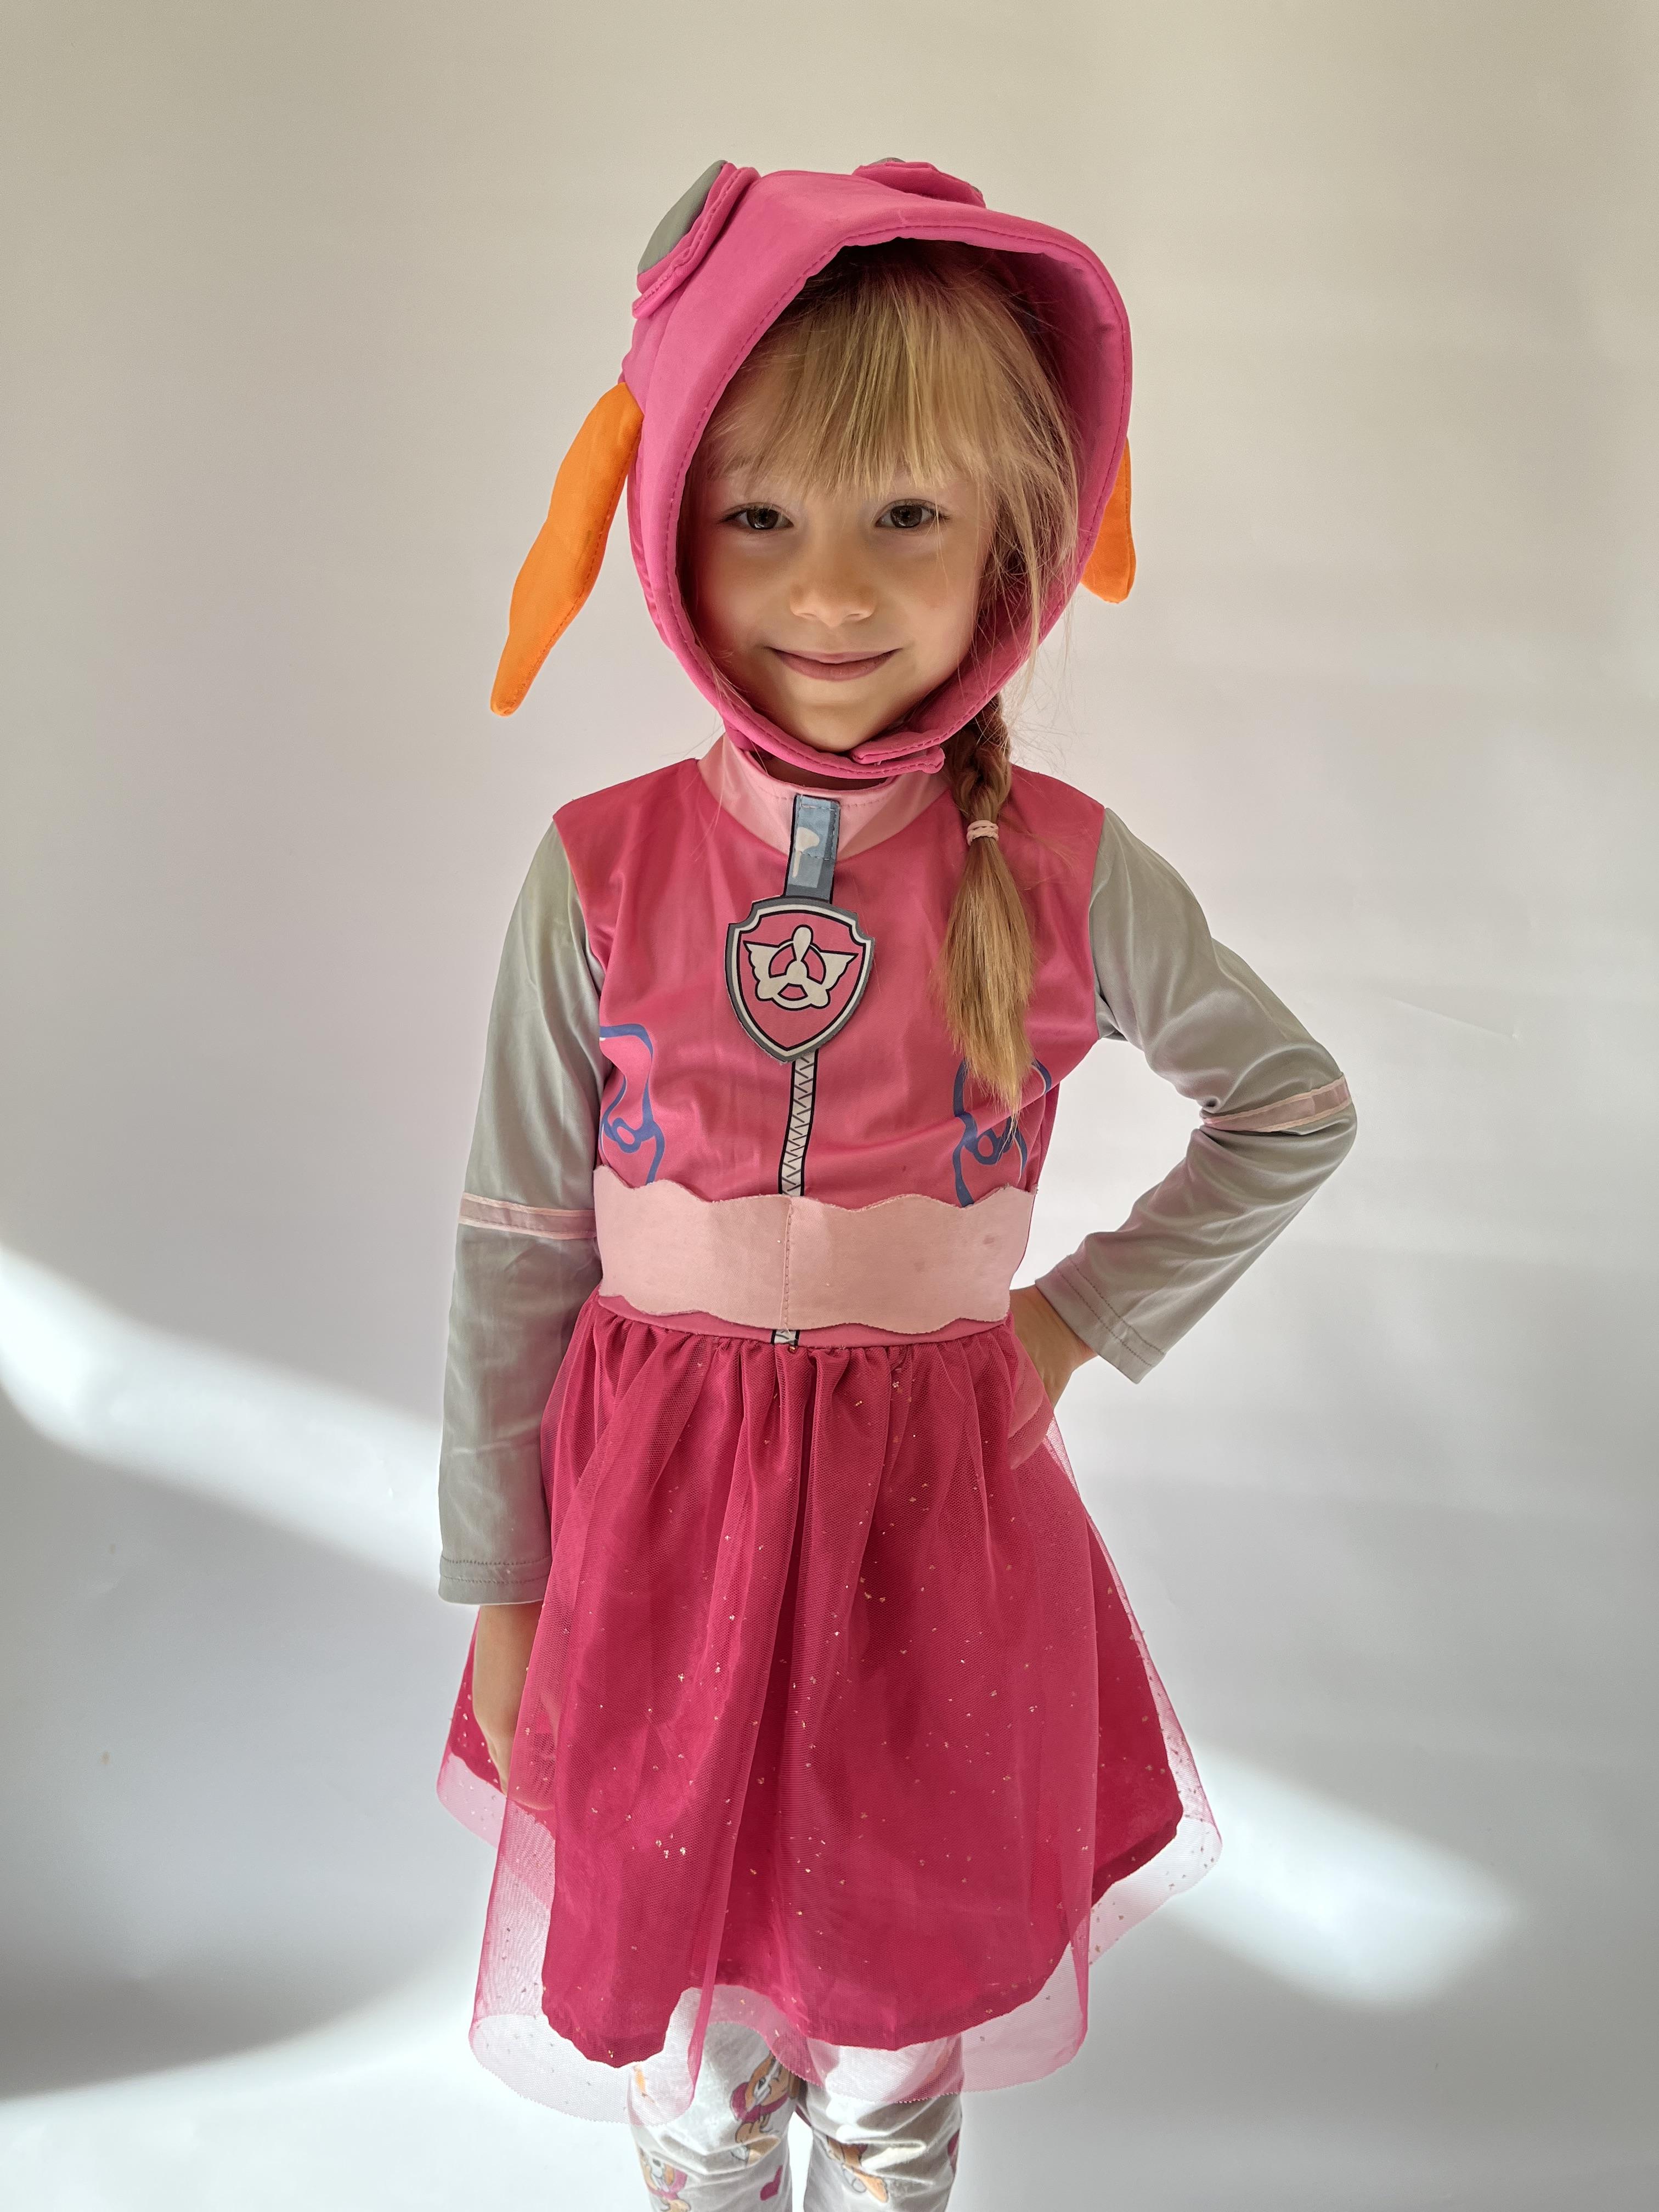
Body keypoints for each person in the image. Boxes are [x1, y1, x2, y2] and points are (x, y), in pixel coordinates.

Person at [432, 159, 1356, 2210]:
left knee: (885, 2018)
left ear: (1016, 543)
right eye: (762, 516)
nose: (833, 593)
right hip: (650, 1534)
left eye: (907, 518)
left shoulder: (1069, 868)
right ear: (664, 524)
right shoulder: (597, 868)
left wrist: (1068, 1322)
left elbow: (1289, 1108)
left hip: (929, 1533)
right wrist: (501, 1577)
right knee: (697, 2041)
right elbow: (514, 1244)